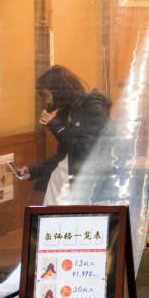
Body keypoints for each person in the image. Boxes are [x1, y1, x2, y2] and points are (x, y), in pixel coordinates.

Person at [18, 66, 112, 205]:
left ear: (58, 91)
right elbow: (64, 156)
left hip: (85, 186)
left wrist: (58, 127)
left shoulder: (93, 109)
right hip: (62, 182)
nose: (47, 101)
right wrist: (33, 171)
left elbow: (85, 148)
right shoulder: (65, 113)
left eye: (48, 95)